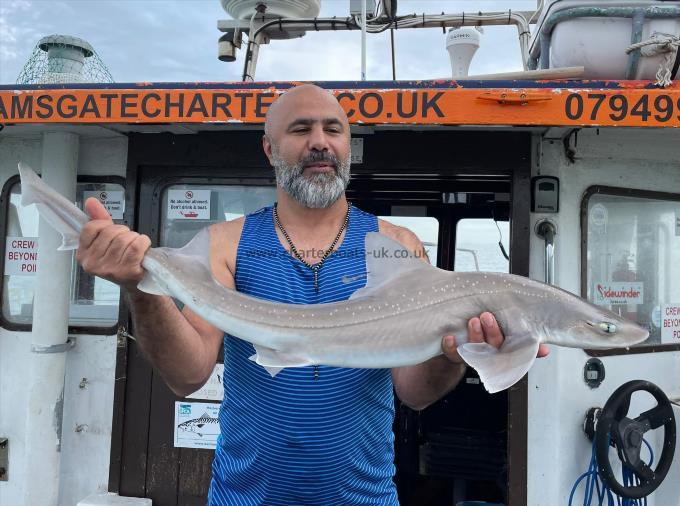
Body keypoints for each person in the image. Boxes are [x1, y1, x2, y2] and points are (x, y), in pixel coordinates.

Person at [77, 84, 548, 505]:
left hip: (365, 496)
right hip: (244, 497)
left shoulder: (396, 247)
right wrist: (142, 288)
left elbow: (414, 393)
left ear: (348, 145)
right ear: (269, 148)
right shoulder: (226, 243)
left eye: (333, 130)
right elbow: (187, 375)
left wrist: (458, 351)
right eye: (301, 129)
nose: (320, 141)